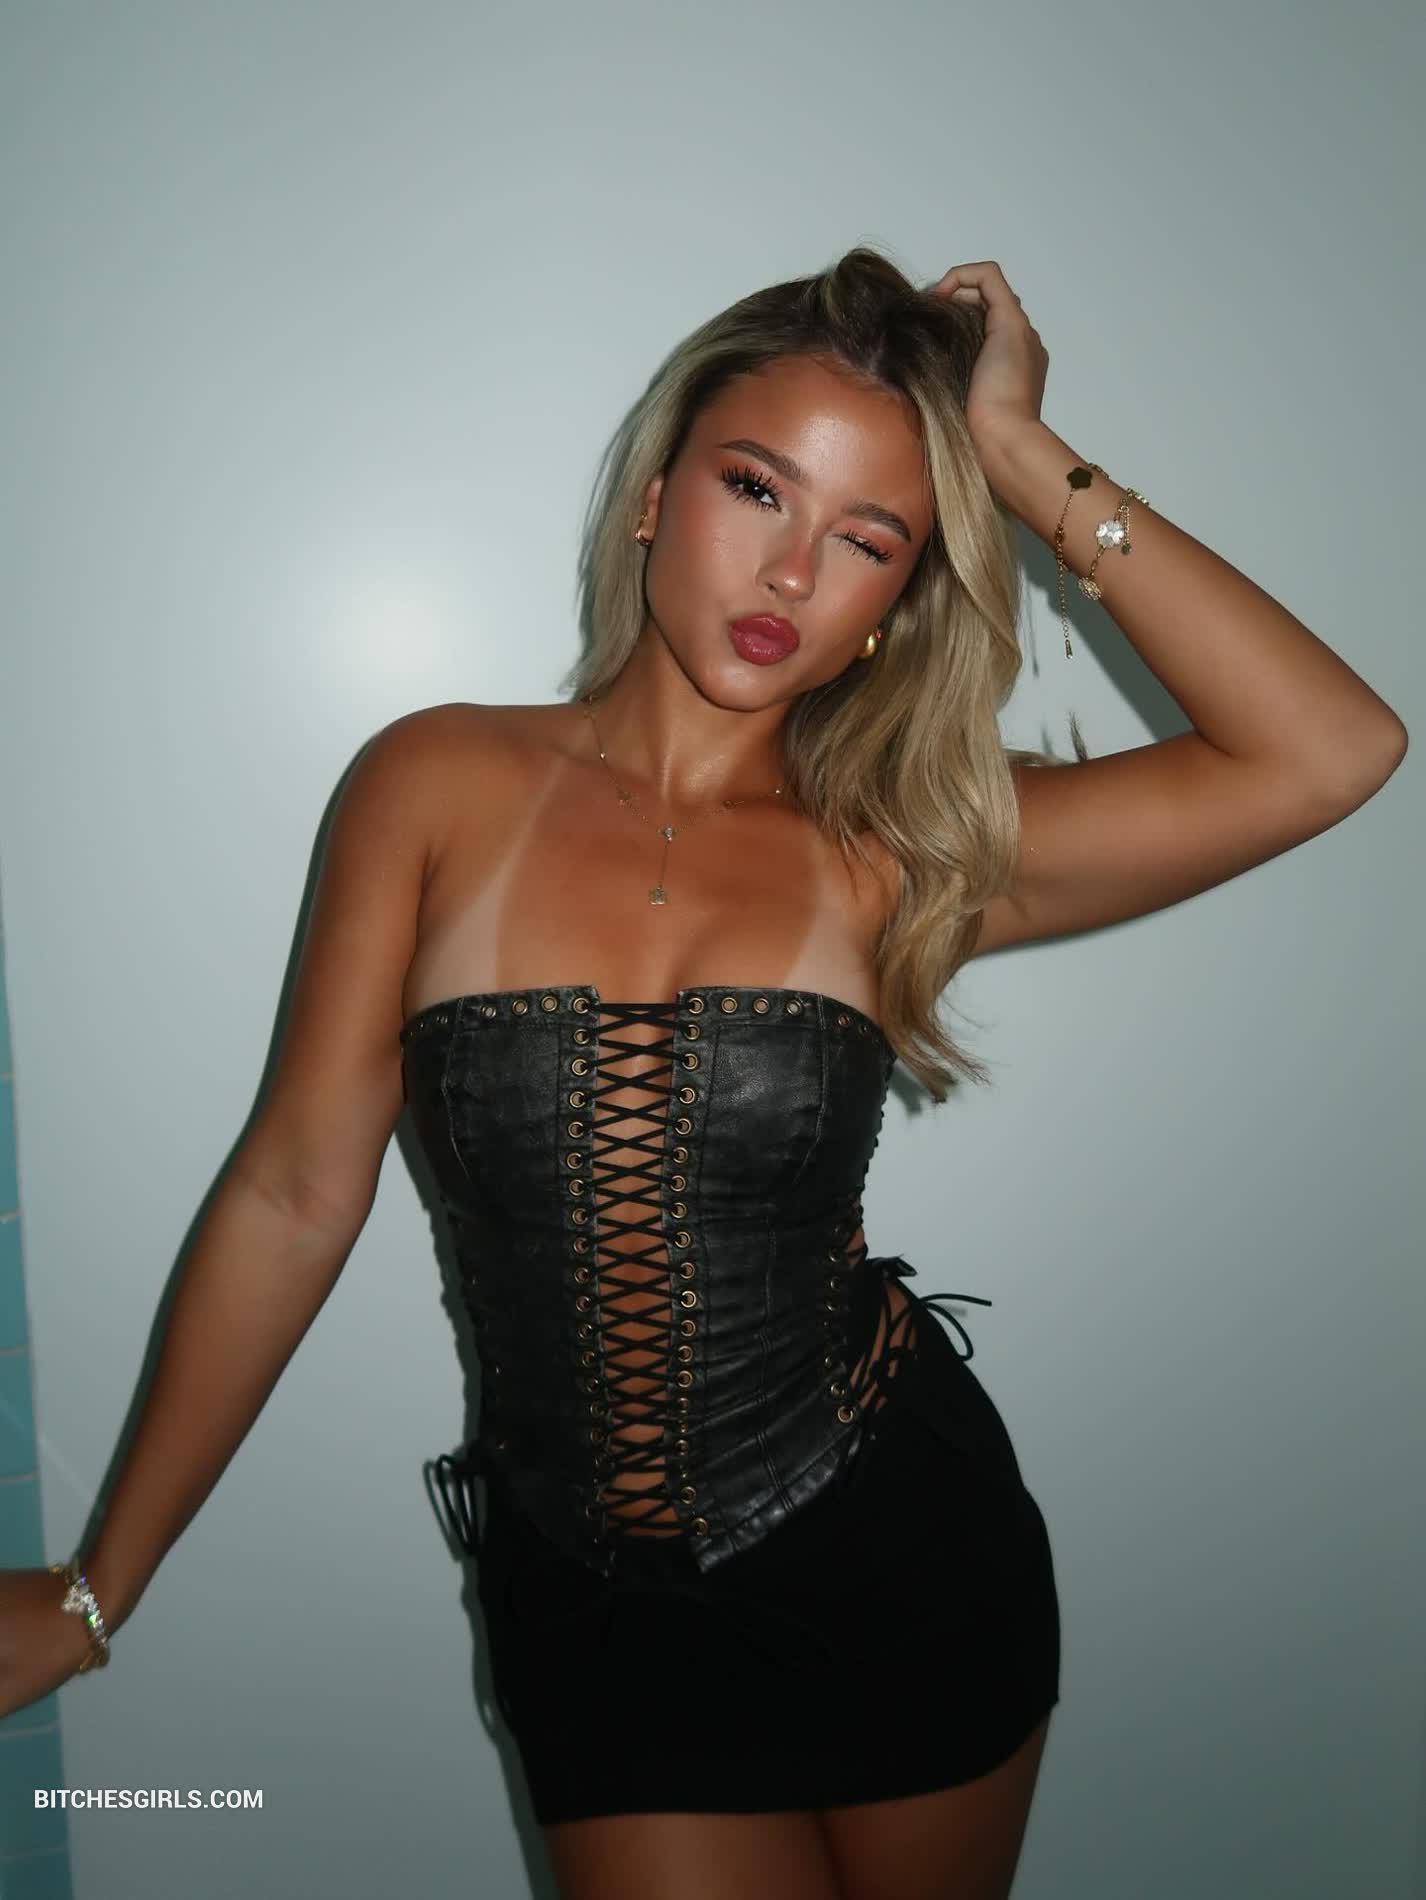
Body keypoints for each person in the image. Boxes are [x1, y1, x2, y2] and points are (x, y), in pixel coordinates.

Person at [0, 247, 1407, 1900]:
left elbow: (1331, 750)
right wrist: (98, 1588)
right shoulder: (431, 781)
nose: (793, 570)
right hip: (594, 1615)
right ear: (654, 496)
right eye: (757, 489)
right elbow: (295, 1188)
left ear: (899, 597)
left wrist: (1018, 457)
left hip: (901, 1561)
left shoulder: (906, 843)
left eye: (868, 538)